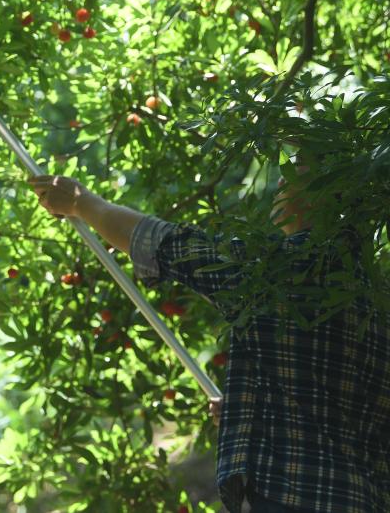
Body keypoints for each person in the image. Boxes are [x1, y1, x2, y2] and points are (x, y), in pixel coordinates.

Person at [28, 173, 390, 513]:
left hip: (292, 495)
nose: (279, 187)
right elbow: (332, 405)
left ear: (318, 196)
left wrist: (82, 202)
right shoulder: (377, 298)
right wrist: (247, 415)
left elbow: (163, 242)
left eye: (289, 176)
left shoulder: (275, 271)